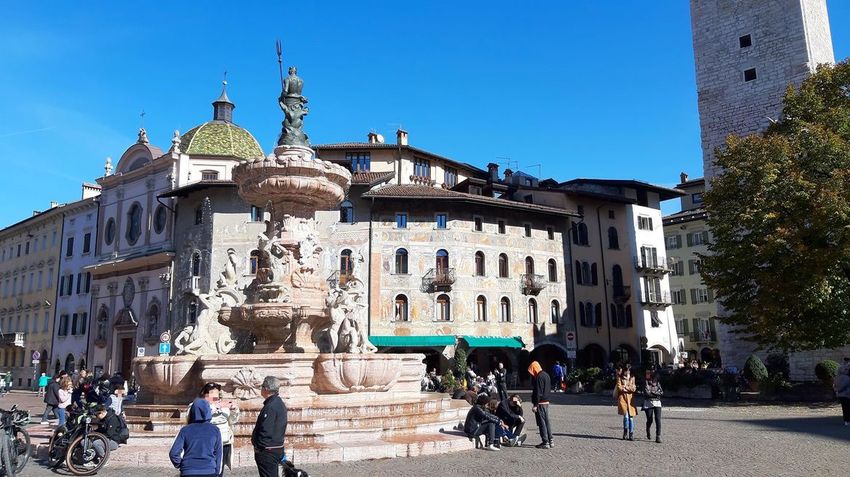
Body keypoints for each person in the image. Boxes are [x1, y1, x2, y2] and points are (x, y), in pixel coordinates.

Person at [191, 382, 240, 475]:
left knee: (219, 470)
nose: (216, 395)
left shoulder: (224, 406)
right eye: (212, 392)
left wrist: (234, 410)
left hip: (224, 443)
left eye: (217, 392)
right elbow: (195, 417)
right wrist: (213, 407)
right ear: (205, 395)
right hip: (207, 444)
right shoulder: (197, 405)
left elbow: (232, 421)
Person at [170, 398, 223, 477]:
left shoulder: (185, 430)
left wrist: (181, 465)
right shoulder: (215, 430)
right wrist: (216, 472)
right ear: (208, 411)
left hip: (188, 471)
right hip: (209, 471)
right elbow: (218, 455)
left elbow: (173, 453)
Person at [252, 376, 288, 477]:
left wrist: (259, 447)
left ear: (266, 389)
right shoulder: (278, 402)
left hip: (268, 451)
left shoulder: (271, 406)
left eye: (262, 387)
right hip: (276, 448)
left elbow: (265, 430)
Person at [528, 361, 553, 449]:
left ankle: (545, 441)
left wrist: (535, 404)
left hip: (541, 403)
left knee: (542, 422)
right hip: (546, 401)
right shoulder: (546, 375)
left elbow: (538, 391)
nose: (532, 373)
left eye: (532, 371)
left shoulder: (539, 377)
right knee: (547, 421)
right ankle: (550, 440)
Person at [615, 364, 638, 441]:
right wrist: (625, 388)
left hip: (630, 399)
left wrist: (626, 387)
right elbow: (619, 387)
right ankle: (625, 433)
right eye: (626, 371)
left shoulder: (632, 378)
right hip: (623, 399)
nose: (627, 372)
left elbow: (634, 388)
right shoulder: (620, 377)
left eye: (628, 371)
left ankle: (631, 434)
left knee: (631, 418)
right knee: (626, 417)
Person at [642, 369, 663, 443]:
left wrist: (653, 393)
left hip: (657, 403)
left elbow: (661, 392)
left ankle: (658, 436)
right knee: (650, 419)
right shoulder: (646, 382)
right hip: (648, 403)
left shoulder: (657, 383)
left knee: (658, 419)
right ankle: (648, 429)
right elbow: (647, 393)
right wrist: (655, 393)